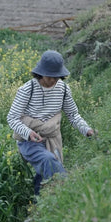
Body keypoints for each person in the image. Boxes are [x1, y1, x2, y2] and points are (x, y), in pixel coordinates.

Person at [7, 50, 95, 196]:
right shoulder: (27, 90)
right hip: (29, 142)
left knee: (43, 175)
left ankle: (38, 208)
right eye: (50, 76)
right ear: (40, 73)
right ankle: (69, 193)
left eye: (57, 76)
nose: (53, 80)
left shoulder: (64, 89)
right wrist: (29, 133)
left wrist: (86, 130)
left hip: (53, 139)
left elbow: (73, 115)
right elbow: (12, 118)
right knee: (49, 161)